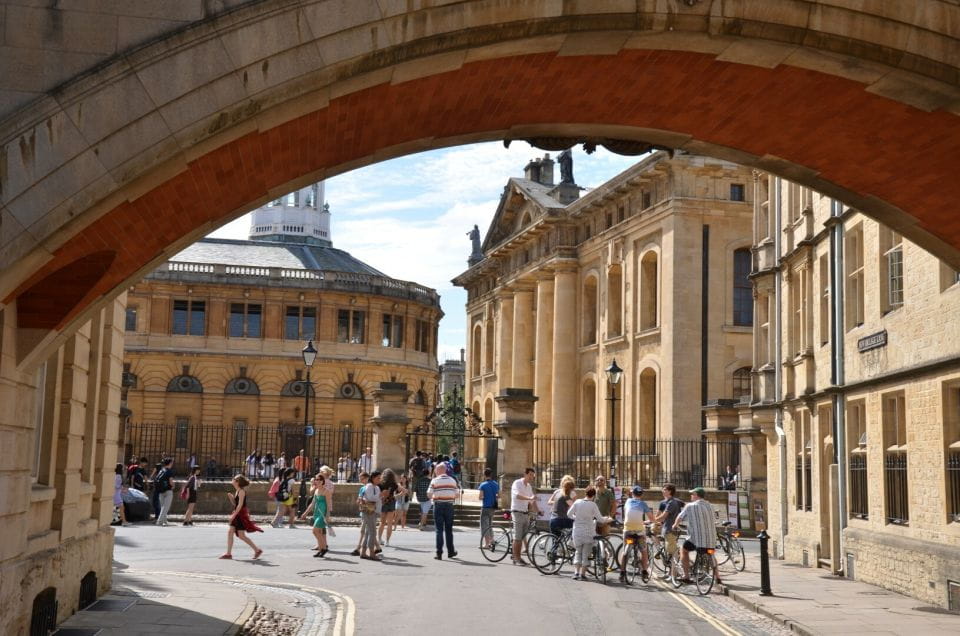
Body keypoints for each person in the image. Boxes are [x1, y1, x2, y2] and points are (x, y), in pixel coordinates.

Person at [675, 487, 721, 586]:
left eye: (692, 494)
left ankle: (686, 576)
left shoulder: (690, 506)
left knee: (684, 550)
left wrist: (675, 525)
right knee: (711, 554)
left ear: (696, 495)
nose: (691, 496)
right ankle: (718, 577)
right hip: (711, 539)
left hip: (695, 539)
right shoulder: (710, 506)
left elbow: (679, 517)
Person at [567, 486, 611, 581]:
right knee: (585, 554)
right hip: (588, 532)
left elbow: (569, 514)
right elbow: (600, 519)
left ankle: (576, 573)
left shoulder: (577, 502)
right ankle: (583, 574)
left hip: (577, 531)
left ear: (585, 493)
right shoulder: (593, 505)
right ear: (594, 495)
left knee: (578, 552)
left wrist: (576, 518)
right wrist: (607, 519)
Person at [220, 474, 263, 560]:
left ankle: (256, 550)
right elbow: (236, 505)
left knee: (240, 535)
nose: (232, 480)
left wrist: (233, 516)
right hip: (238, 513)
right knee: (235, 533)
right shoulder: (238, 491)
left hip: (240, 514)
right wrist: (231, 498)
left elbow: (240, 506)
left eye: (234, 479)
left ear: (237, 482)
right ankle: (229, 553)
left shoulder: (241, 492)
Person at [619, 485, 656, 584]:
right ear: (641, 494)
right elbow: (652, 519)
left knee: (625, 550)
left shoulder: (627, 502)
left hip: (628, 530)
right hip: (639, 531)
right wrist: (647, 522)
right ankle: (644, 571)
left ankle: (622, 572)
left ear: (632, 493)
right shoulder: (643, 504)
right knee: (643, 551)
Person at [427, 463, 458, 560]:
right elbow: (457, 494)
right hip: (449, 506)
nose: (435, 472)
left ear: (439, 470)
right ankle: (451, 551)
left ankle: (439, 553)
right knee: (449, 530)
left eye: (436, 470)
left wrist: (434, 496)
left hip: (438, 505)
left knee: (439, 530)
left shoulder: (435, 480)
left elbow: (429, 494)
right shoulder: (452, 480)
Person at [509, 467, 538, 565]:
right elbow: (516, 495)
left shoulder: (529, 486)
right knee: (517, 537)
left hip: (525, 513)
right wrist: (529, 498)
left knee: (521, 537)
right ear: (525, 474)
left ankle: (517, 556)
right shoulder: (517, 483)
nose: (531, 477)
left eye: (533, 476)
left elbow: (532, 500)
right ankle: (517, 558)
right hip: (517, 512)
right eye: (530, 475)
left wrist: (538, 511)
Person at [654, 482, 684, 576]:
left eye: (665, 489)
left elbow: (663, 516)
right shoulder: (669, 502)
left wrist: (652, 520)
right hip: (668, 529)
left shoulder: (671, 503)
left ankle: (674, 574)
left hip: (670, 530)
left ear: (670, 491)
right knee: (670, 551)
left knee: (672, 553)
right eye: (663, 489)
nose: (662, 490)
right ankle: (673, 572)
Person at [299, 473, 329, 558]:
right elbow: (312, 504)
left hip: (322, 514)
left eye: (319, 479)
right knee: (318, 532)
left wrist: (327, 516)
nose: (317, 481)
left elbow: (329, 504)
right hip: (316, 513)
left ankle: (323, 548)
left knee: (315, 531)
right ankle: (322, 549)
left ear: (322, 481)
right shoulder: (316, 491)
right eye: (316, 479)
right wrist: (305, 513)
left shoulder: (326, 491)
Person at [358, 471, 382, 560]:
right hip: (369, 511)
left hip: (373, 511)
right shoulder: (370, 486)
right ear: (372, 478)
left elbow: (376, 499)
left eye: (380, 478)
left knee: (368, 532)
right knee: (373, 532)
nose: (379, 480)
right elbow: (371, 498)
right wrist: (380, 495)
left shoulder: (376, 487)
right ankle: (371, 552)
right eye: (378, 478)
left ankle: (363, 552)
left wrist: (381, 496)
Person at [477, 468, 500, 546]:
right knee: (490, 524)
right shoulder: (496, 484)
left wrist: (485, 497)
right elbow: (498, 496)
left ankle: (486, 543)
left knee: (484, 525)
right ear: (491, 475)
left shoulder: (483, 485)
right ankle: (492, 540)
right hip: (493, 507)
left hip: (486, 506)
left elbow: (480, 497)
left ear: (484, 475)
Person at [378, 468, 399, 546]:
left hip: (383, 502)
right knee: (390, 523)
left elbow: (379, 495)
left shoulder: (380, 484)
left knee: (382, 523)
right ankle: (387, 541)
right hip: (391, 502)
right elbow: (402, 490)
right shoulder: (394, 484)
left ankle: (379, 539)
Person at [351, 472, 370, 556]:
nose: (360, 480)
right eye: (360, 478)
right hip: (363, 510)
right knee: (367, 530)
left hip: (369, 511)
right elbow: (359, 499)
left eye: (362, 478)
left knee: (364, 530)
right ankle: (376, 547)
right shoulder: (362, 488)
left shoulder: (370, 488)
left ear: (367, 478)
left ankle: (358, 548)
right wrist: (359, 501)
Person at [154, 458, 174, 526]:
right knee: (166, 507)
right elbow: (171, 482)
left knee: (163, 507)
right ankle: (159, 521)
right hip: (168, 491)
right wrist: (173, 485)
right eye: (172, 463)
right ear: (170, 463)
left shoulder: (161, 470)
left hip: (160, 491)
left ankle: (164, 520)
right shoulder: (169, 471)